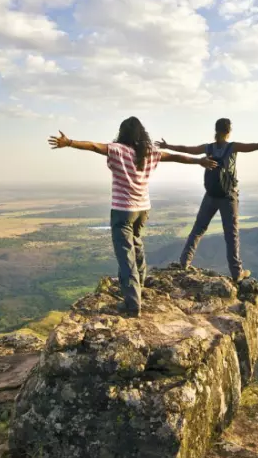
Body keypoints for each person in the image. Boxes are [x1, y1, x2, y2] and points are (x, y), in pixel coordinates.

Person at [48, 117, 216, 317]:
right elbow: (174, 157)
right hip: (143, 209)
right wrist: (200, 161)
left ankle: (132, 304)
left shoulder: (118, 150)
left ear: (123, 133)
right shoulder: (151, 153)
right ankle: (140, 282)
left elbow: (94, 146)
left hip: (123, 210)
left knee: (125, 255)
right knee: (136, 243)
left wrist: (69, 143)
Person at [158, 119, 258, 282]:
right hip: (228, 197)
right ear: (229, 131)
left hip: (210, 195)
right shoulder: (233, 147)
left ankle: (184, 262)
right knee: (231, 235)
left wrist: (167, 146)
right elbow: (257, 145)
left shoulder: (208, 148)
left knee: (198, 229)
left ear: (215, 130)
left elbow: (186, 149)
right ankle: (237, 273)